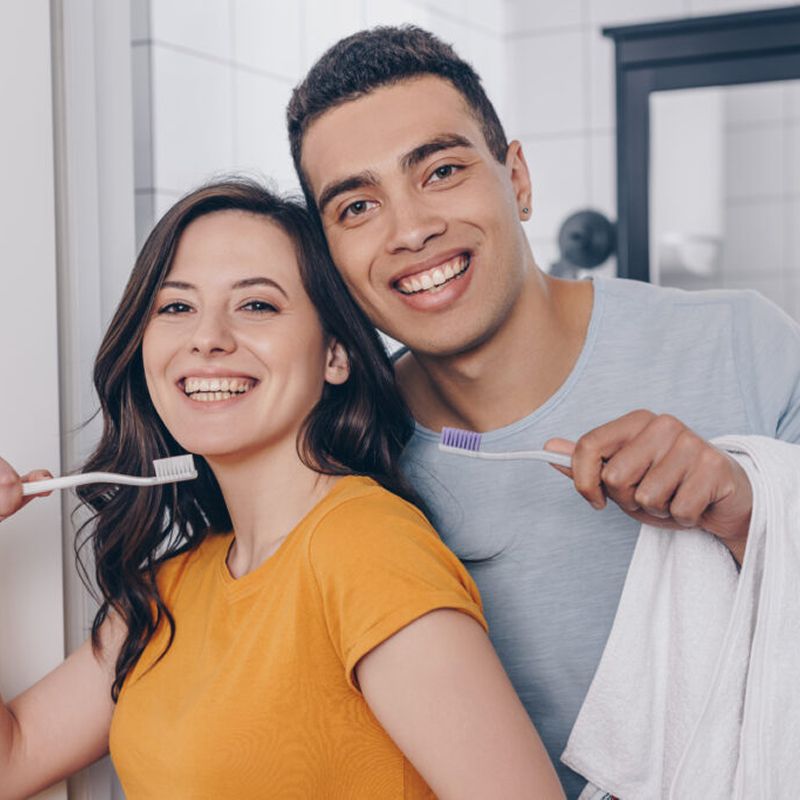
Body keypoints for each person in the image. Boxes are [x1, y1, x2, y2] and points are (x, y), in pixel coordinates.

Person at [286, 25, 800, 797]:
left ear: (518, 179)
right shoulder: (341, 456)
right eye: (357, 206)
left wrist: (746, 508)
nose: (411, 229)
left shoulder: (741, 343)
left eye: (443, 170)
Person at [0, 180, 565, 799]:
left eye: (257, 306)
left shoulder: (366, 549)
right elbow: (14, 754)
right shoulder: (175, 585)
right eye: (176, 307)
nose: (207, 337)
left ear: (336, 355)